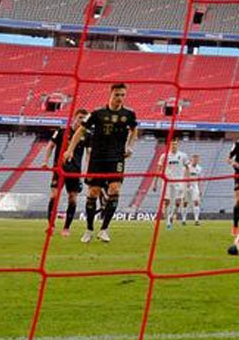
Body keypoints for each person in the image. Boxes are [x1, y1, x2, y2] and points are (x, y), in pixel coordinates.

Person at [65, 83, 137, 243]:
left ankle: (104, 229)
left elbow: (134, 130)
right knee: (93, 192)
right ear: (110, 94)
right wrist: (70, 150)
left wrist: (130, 146)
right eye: (117, 94)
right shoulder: (97, 114)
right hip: (97, 158)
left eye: (123, 95)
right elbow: (81, 130)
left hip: (116, 158)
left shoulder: (129, 114)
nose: (120, 98)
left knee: (115, 189)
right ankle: (89, 229)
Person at [42, 108, 88, 236]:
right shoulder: (61, 131)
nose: (81, 121)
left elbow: (88, 153)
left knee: (72, 198)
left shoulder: (86, 135)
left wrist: (87, 169)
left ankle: (66, 228)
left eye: (84, 119)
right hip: (59, 169)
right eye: (80, 118)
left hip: (75, 171)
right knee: (54, 196)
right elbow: (50, 145)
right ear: (74, 118)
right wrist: (45, 161)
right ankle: (51, 225)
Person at [153, 139, 189, 229]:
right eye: (172, 144)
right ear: (169, 145)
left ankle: (172, 216)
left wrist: (187, 180)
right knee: (166, 201)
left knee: (178, 202)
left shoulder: (183, 155)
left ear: (178, 145)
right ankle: (168, 222)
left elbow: (187, 167)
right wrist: (155, 183)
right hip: (167, 181)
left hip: (179, 181)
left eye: (175, 144)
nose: (174, 146)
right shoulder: (164, 156)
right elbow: (158, 169)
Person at [186, 153, 203, 226]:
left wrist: (200, 189)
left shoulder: (199, 168)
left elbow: (199, 179)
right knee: (185, 203)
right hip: (186, 185)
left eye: (197, 159)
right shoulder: (187, 168)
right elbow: (184, 175)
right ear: (191, 159)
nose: (195, 160)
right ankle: (183, 219)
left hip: (195, 185)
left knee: (196, 202)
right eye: (194, 158)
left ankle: (196, 220)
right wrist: (187, 182)